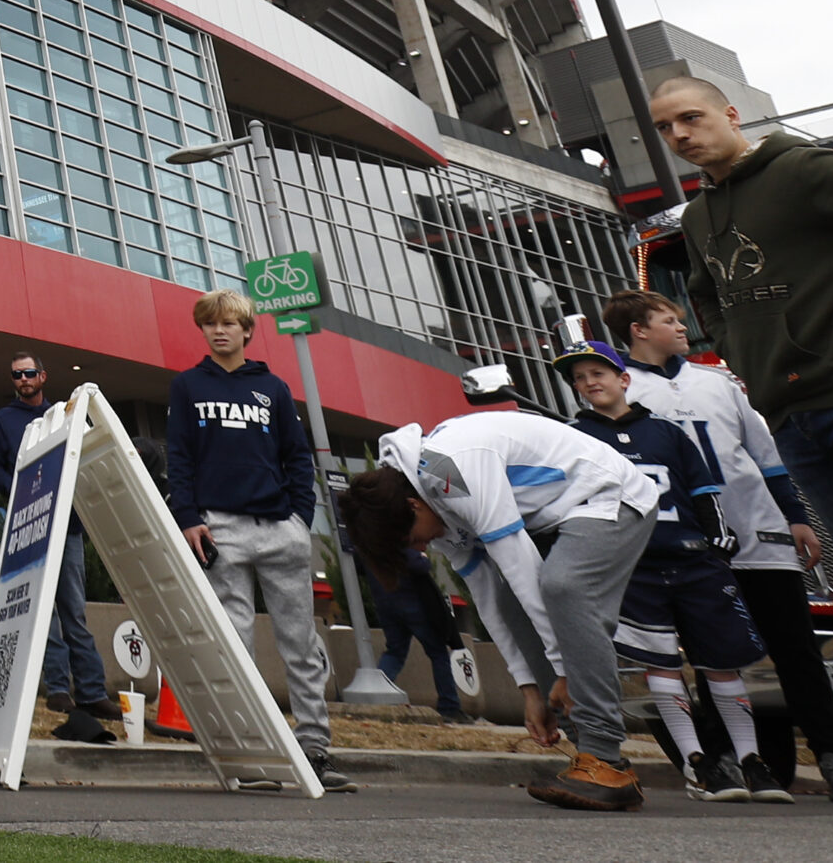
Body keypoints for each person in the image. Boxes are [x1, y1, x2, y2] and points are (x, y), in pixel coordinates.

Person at [604, 288, 833, 804]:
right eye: (669, 320)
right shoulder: (624, 390)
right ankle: (732, 760)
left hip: (759, 532)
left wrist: (796, 516)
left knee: (797, 649)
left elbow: (766, 453)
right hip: (693, 545)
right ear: (639, 330)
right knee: (713, 654)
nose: (683, 327)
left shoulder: (719, 382)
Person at [343, 410, 659, 811]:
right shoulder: (428, 502)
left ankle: (605, 761)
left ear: (412, 506)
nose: (417, 549)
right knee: (515, 605)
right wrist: (531, 691)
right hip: (558, 518)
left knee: (564, 588)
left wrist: (563, 670)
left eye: (408, 539)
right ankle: (588, 755)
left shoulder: (452, 469)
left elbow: (522, 568)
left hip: (611, 494)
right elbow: (491, 600)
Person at [652, 76, 833, 608]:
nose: (679, 134)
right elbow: (704, 293)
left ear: (731, 115)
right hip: (790, 417)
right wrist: (741, 354)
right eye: (665, 127)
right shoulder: (697, 215)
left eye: (691, 118)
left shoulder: (805, 169)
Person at [556, 335, 768, 803]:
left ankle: (752, 761)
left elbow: (703, 487)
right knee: (662, 664)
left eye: (598, 373)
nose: (590, 382)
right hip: (634, 564)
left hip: (692, 556)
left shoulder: (668, 432)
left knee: (721, 663)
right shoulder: (574, 436)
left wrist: (718, 539)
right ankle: (697, 763)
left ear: (623, 378)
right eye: (580, 378)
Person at [164, 290, 348, 790]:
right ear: (202, 330)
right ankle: (252, 754)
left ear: (247, 330)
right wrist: (188, 517)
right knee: (235, 645)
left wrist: (298, 519)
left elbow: (296, 457)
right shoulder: (187, 387)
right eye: (210, 324)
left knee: (301, 645)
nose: (219, 331)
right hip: (219, 529)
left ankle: (315, 751)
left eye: (229, 323)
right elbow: (177, 458)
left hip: (279, 530)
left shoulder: (274, 388)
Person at [0, 348, 116, 743]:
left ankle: (92, 692)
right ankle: (58, 690)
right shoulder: (2, 421)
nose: (22, 380)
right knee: (43, 612)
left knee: (73, 610)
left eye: (28, 373)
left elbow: (89, 455)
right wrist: (17, 487)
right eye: (16, 376)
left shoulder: (67, 414)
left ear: (43, 376)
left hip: (68, 524)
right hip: (28, 521)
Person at [360, 548, 467, 723]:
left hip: (386, 606)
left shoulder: (368, 546)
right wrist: (423, 558)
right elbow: (417, 565)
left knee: (394, 653)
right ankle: (450, 707)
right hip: (414, 606)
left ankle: (376, 695)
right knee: (438, 653)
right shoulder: (391, 539)